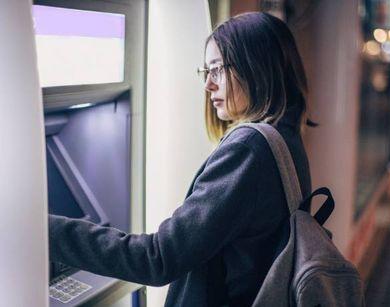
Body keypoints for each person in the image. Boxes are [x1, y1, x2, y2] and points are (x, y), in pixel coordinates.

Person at [49, 12, 314, 307]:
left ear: (256, 69)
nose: (208, 85)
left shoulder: (250, 150)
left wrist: (43, 229)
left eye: (217, 69)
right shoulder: (286, 137)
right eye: (206, 71)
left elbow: (157, 259)